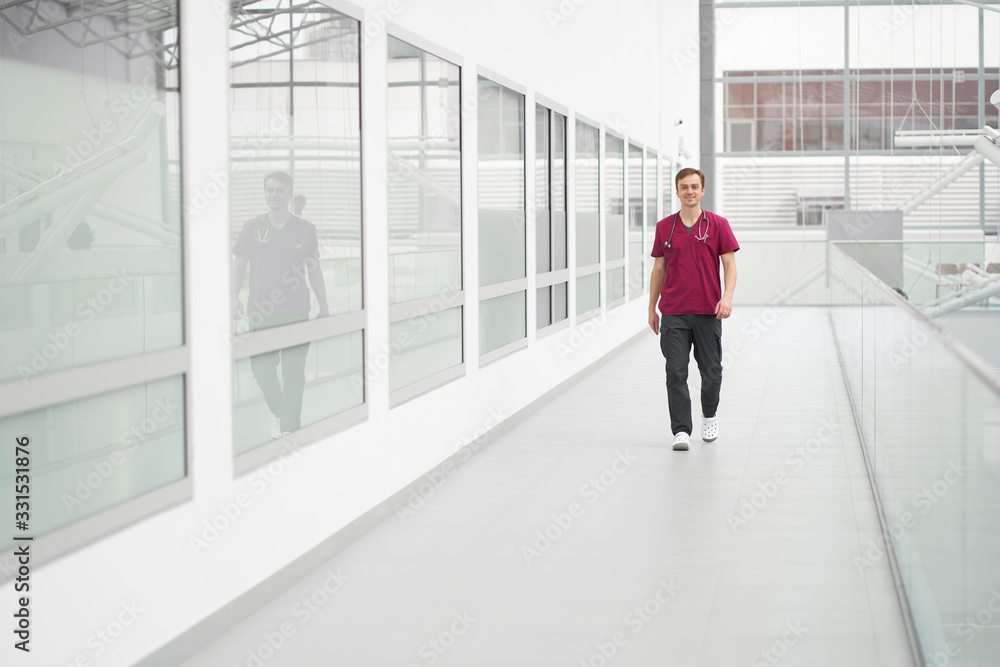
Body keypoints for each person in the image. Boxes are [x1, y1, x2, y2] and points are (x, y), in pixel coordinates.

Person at [232, 171, 329, 439]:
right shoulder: (251, 227)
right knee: (261, 370)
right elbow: (239, 265)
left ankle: (288, 430)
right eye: (269, 190)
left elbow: (314, 270)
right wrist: (232, 296)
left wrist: (324, 306)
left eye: (279, 190)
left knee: (294, 374)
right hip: (260, 312)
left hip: (296, 312)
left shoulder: (305, 229)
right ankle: (281, 413)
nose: (273, 195)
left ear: (288, 194)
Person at [648, 167, 739, 451]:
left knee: (711, 371)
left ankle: (709, 415)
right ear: (676, 191)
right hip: (674, 311)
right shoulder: (665, 227)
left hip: (708, 311)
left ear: (702, 191)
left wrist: (728, 297)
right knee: (676, 371)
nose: (689, 191)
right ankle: (681, 430)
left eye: (694, 186)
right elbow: (659, 268)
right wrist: (652, 308)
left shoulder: (718, 224)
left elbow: (730, 265)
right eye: (684, 187)